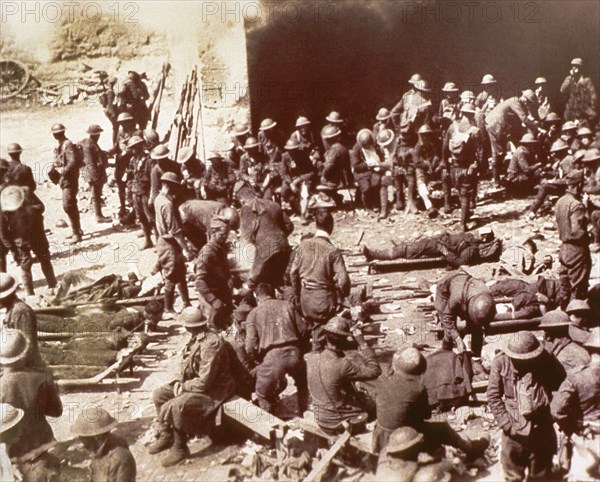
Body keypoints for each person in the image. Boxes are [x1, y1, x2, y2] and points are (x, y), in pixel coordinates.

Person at [149, 307, 235, 466]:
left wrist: (184, 386)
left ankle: (180, 447)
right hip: (199, 385)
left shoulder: (211, 343)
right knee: (160, 395)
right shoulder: (196, 337)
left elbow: (204, 381)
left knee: (177, 405)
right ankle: (167, 434)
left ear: (189, 326)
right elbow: (185, 364)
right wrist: (178, 381)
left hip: (216, 390)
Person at [373, 346, 487, 458]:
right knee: (443, 429)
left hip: (381, 432)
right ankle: (470, 449)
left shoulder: (383, 379)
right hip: (403, 435)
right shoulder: (417, 389)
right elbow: (425, 415)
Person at [487, 331, 566, 482]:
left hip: (542, 428)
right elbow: (493, 396)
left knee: (541, 475)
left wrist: (553, 415)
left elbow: (562, 388)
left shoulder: (547, 359)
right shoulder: (501, 361)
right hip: (513, 429)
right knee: (513, 476)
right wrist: (506, 424)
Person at [305, 316, 381, 435]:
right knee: (372, 406)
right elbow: (375, 371)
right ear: (344, 340)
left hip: (320, 417)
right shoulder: (343, 365)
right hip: (337, 423)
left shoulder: (311, 358)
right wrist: (362, 343)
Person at [0, 330, 63, 466]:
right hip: (42, 444)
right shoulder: (41, 378)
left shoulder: (1, 385)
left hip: (12, 452)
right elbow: (56, 411)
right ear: (25, 354)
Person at [245, 282, 308, 414]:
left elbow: (250, 344)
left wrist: (255, 359)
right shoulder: (288, 306)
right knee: (302, 386)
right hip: (295, 353)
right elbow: (303, 329)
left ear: (256, 297)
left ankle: (269, 424)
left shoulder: (254, 313)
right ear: (273, 293)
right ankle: (304, 412)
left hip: (273, 357)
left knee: (262, 394)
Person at [291, 209, 350, 350]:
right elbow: (344, 280)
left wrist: (297, 294)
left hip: (306, 300)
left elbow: (293, 273)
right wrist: (343, 294)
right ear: (331, 226)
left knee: (313, 326)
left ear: (316, 225)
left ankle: (314, 345)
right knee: (325, 331)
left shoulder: (303, 245)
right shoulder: (332, 250)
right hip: (324, 302)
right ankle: (319, 354)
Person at [551, 327, 600, 481]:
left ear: (589, 350)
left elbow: (556, 410)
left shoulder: (576, 376)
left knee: (583, 475)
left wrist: (571, 427)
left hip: (586, 434)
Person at [434, 271, 496, 375]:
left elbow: (487, 318)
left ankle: (476, 358)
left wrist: (484, 327)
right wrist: (458, 339)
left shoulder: (487, 297)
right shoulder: (456, 298)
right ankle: (445, 355)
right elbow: (447, 318)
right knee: (449, 331)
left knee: (477, 328)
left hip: (466, 291)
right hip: (446, 288)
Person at [0, 186, 57, 296]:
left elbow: (41, 207)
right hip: (20, 240)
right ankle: (30, 293)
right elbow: (2, 233)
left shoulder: (27, 193)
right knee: (25, 265)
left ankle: (53, 285)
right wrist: (12, 250)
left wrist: (30, 211)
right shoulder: (3, 208)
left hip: (37, 234)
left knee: (45, 259)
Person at [363, 228, 502, 269]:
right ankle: (375, 254)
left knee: (406, 249)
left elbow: (460, 262)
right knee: (407, 246)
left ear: (483, 239)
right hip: (438, 242)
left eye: (481, 234)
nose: (477, 233)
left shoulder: (472, 249)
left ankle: (374, 255)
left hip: (438, 247)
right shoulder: (471, 237)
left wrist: (445, 251)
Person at [238, 187, 293, 289]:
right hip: (284, 245)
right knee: (280, 279)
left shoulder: (246, 208)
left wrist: (255, 242)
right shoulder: (273, 204)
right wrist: (279, 236)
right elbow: (289, 225)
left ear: (242, 200)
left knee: (253, 281)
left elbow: (247, 234)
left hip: (266, 248)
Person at [485, 90, 541, 184]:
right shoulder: (515, 101)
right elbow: (524, 119)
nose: (528, 105)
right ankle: (497, 181)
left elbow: (524, 117)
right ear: (524, 98)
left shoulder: (518, 102)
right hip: (496, 126)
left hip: (498, 125)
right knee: (498, 153)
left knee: (500, 153)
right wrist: (537, 128)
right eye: (528, 102)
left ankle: (500, 177)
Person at [70, 407, 136, 482]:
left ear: (96, 437)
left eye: (83, 437)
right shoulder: (99, 450)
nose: (80, 440)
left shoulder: (120, 459)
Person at [442, 102, 481, 228]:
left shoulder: (452, 127)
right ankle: (463, 224)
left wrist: (447, 168)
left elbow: (444, 149)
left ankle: (466, 214)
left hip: (454, 166)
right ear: (472, 115)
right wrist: (478, 165)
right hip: (467, 168)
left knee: (460, 192)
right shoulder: (474, 131)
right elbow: (480, 150)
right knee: (465, 194)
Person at [555, 169, 591, 301]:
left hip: (564, 249)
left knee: (565, 287)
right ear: (579, 184)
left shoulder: (560, 201)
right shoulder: (577, 205)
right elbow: (578, 233)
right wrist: (586, 209)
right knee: (578, 289)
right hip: (576, 251)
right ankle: (576, 318)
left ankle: (562, 315)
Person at [194, 217, 232, 331]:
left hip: (220, 293)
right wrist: (213, 300)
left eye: (226, 234)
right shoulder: (207, 252)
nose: (225, 237)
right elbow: (199, 282)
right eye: (222, 234)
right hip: (210, 298)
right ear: (213, 232)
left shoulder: (220, 247)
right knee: (213, 329)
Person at [375, 426, 452, 482]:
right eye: (416, 444)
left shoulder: (384, 452)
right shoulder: (411, 470)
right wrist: (451, 462)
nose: (419, 445)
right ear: (407, 449)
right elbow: (432, 471)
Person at [0, 272, 45, 368]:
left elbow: (28, 347)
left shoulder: (21, 312)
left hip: (25, 367)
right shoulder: (11, 309)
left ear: (4, 297)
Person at [528, 138, 577, 217]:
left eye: (555, 152)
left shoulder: (566, 161)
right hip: (565, 187)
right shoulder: (563, 160)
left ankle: (532, 211)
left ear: (561, 151)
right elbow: (558, 174)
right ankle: (539, 208)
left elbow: (568, 180)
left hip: (569, 189)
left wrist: (551, 182)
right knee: (543, 185)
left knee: (544, 187)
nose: (553, 154)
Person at [51, 123, 83, 243]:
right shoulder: (60, 144)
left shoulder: (67, 144)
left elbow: (73, 161)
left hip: (70, 178)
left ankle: (76, 233)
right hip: (65, 179)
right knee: (71, 204)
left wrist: (62, 172)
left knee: (68, 205)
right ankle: (77, 230)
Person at [351, 129, 392, 217]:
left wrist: (378, 164)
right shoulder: (356, 149)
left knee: (376, 182)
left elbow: (381, 158)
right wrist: (368, 165)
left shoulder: (375, 145)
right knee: (366, 188)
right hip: (361, 172)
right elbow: (356, 166)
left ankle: (375, 203)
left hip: (373, 170)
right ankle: (368, 207)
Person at [539, 310, 590, 374]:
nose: (544, 336)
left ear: (548, 334)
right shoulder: (581, 350)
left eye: (545, 331)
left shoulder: (561, 357)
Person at [128, 135, 154, 249]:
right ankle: (148, 240)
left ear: (140, 146)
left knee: (152, 218)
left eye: (134, 147)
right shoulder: (133, 160)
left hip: (146, 192)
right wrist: (129, 190)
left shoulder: (149, 160)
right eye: (132, 147)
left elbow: (153, 180)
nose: (133, 150)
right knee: (141, 218)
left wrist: (152, 196)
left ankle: (159, 242)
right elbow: (130, 175)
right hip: (136, 192)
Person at [280, 138, 316, 221]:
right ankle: (291, 209)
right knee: (284, 191)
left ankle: (303, 214)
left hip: (303, 178)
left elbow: (311, 172)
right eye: (289, 150)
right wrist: (291, 183)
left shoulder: (303, 155)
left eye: (294, 150)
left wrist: (299, 179)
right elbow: (284, 173)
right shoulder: (285, 156)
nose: (292, 152)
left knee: (304, 193)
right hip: (291, 179)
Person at [81, 124, 111, 223]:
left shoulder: (85, 142)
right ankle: (98, 216)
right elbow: (96, 162)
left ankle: (98, 214)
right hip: (94, 173)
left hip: (88, 172)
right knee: (96, 194)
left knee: (96, 194)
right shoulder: (92, 145)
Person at [560, 58, 598, 125]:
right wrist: (570, 77)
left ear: (581, 68)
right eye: (573, 66)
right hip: (571, 112)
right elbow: (562, 90)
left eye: (576, 66)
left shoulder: (587, 81)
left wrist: (590, 110)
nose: (574, 68)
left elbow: (593, 97)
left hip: (583, 112)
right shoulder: (569, 79)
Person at [320, 125, 354, 193]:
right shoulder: (343, 147)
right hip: (346, 178)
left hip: (336, 181)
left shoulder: (334, 150)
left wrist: (323, 176)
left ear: (328, 139)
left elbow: (329, 166)